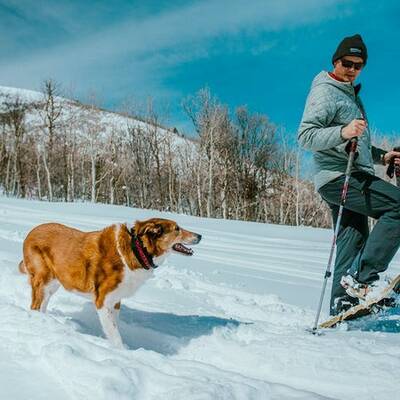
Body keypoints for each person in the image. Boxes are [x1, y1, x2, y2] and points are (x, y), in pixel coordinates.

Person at [298, 34, 400, 315]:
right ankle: (361, 279)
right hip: (339, 177)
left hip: (343, 176)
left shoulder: (348, 94)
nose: (352, 69)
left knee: (352, 235)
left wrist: (383, 156)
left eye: (359, 65)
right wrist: (343, 132)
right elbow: (306, 137)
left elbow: (357, 144)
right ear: (335, 61)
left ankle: (343, 301)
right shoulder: (325, 91)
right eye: (347, 63)